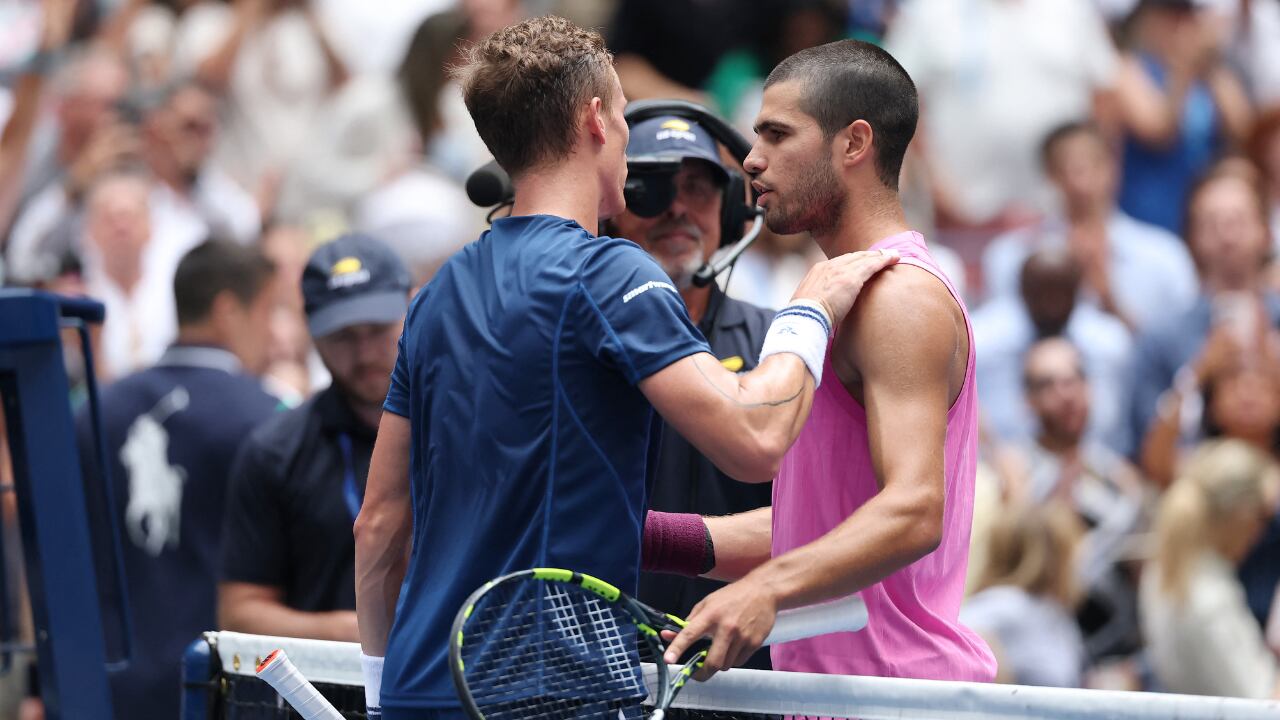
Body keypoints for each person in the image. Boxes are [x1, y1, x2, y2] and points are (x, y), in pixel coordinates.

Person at [354, 17, 898, 719]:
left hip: (412, 695)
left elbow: (378, 524)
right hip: (547, 696)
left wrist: (377, 689)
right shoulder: (609, 271)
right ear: (594, 122)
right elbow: (757, 439)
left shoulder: (435, 295)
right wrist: (809, 309)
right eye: (619, 112)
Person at [661, 39, 997, 683]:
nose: (751, 162)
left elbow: (913, 511)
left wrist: (763, 590)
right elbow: (813, 527)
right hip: (847, 691)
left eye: (777, 135)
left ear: (853, 144)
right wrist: (642, 534)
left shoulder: (897, 297)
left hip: (893, 695)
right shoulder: (843, 292)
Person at [76, 239, 279, 720]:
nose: (274, 334)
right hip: (222, 689)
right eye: (270, 312)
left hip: (102, 688)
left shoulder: (93, 412)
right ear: (229, 311)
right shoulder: (270, 418)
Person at [607, 115, 775, 669]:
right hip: (606, 664)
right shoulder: (567, 342)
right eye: (651, 186)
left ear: (731, 212)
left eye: (698, 187)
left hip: (754, 676)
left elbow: (826, 519)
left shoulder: (783, 345)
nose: (677, 207)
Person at [219, 233, 411, 641]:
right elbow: (239, 612)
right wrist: (357, 632)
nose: (364, 353)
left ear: (413, 306)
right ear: (311, 333)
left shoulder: (462, 428)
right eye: (342, 336)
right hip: (326, 695)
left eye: (378, 329)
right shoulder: (276, 451)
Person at [981, 121, 1197, 332]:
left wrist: (1108, 298)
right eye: (1065, 167)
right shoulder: (1011, 254)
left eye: (1092, 164)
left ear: (1114, 167)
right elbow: (1001, 335)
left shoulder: (1164, 254)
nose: (1080, 180)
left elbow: (1177, 350)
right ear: (1049, 175)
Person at [1140, 439, 1280, 699]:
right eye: (1264, 518)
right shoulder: (1209, 598)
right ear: (1241, 516)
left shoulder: (1163, 570)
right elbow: (1262, 705)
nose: (1262, 533)